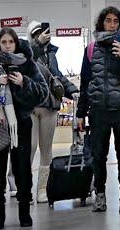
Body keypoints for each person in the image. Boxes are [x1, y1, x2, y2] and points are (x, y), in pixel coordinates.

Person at [76, 6, 120, 213]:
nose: (112, 24)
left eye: (116, 21)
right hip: (98, 111)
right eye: (108, 20)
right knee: (99, 156)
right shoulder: (90, 49)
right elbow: (85, 82)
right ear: (102, 23)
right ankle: (100, 194)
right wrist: (80, 112)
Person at [0, 28, 49, 230]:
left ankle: (24, 212)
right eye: (3, 42)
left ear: (16, 43)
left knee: (22, 168)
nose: (6, 46)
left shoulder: (27, 64)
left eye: (10, 42)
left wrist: (24, 82)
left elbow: (42, 93)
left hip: (21, 122)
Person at [26, 20, 80, 203]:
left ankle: (42, 188)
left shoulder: (51, 54)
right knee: (30, 147)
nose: (42, 36)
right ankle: (22, 186)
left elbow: (56, 75)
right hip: (31, 106)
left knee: (46, 149)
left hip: (49, 105)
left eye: (44, 33)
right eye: (36, 33)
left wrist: (72, 89)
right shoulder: (25, 52)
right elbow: (27, 61)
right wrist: (37, 44)